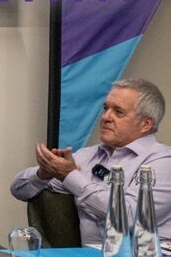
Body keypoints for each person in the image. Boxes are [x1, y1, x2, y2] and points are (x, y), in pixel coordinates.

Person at [11, 78, 171, 246]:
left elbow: (127, 217)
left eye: (118, 112)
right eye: (105, 108)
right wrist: (42, 174)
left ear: (145, 124)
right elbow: (19, 190)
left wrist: (69, 175)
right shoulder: (89, 156)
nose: (106, 117)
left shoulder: (163, 162)